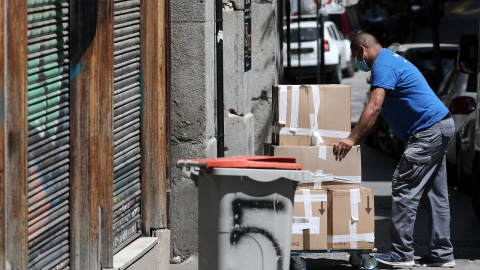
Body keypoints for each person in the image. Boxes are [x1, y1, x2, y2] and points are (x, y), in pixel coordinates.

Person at [332, 32, 456, 268]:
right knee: (434, 194)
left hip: (427, 131)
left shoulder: (383, 66)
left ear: (361, 50)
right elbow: (382, 111)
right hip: (438, 126)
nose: (359, 63)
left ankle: (401, 253)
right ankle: (442, 254)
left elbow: (375, 106)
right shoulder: (392, 59)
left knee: (404, 185)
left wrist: (351, 139)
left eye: (357, 57)